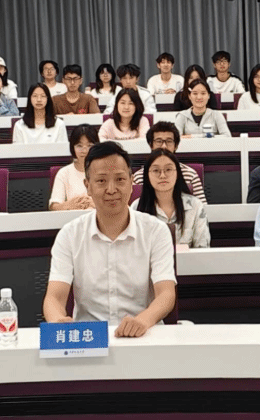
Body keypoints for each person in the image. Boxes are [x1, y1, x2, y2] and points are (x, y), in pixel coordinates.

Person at [44, 143, 176, 337]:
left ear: (131, 182)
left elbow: (166, 293)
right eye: (101, 181)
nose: (111, 189)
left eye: (120, 179)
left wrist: (142, 321)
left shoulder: (156, 231)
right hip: (90, 339)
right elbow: (54, 297)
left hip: (144, 336)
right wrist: (57, 321)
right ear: (87, 186)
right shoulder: (69, 235)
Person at [135, 148, 210, 248]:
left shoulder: (195, 206)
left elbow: (203, 249)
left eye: (168, 169)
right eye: (156, 170)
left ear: (177, 173)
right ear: (147, 175)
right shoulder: (136, 208)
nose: (162, 175)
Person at [137, 126, 206, 200]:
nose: (164, 146)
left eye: (169, 141)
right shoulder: (138, 177)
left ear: (176, 146)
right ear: (151, 145)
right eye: (159, 141)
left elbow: (202, 205)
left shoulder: (190, 174)